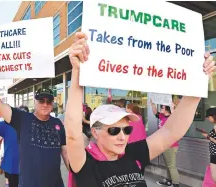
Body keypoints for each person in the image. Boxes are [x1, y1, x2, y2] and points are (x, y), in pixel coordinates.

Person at [64, 32, 215, 187]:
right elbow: (72, 133)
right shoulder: (85, 163)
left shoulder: (132, 153)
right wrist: (77, 73)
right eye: (114, 131)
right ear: (95, 132)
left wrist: (198, 87)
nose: (122, 137)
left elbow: (171, 132)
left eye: (127, 130)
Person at [0, 59, 68, 187]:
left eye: (49, 101)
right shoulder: (23, 119)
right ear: (35, 102)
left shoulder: (57, 123)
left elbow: (65, 152)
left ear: (53, 103)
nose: (45, 104)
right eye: (41, 100)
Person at [150, 101, 180, 186]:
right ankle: (169, 181)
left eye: (162, 107)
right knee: (168, 165)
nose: (161, 109)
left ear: (167, 110)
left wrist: (172, 108)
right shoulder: (163, 117)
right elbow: (156, 113)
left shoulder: (171, 119)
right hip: (164, 145)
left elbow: (175, 118)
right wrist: (153, 104)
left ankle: (176, 184)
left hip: (170, 145)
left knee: (171, 166)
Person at [200, 107, 216, 183]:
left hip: (215, 154)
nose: (207, 119)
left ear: (214, 116)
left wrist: (208, 136)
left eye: (208, 117)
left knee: (214, 176)